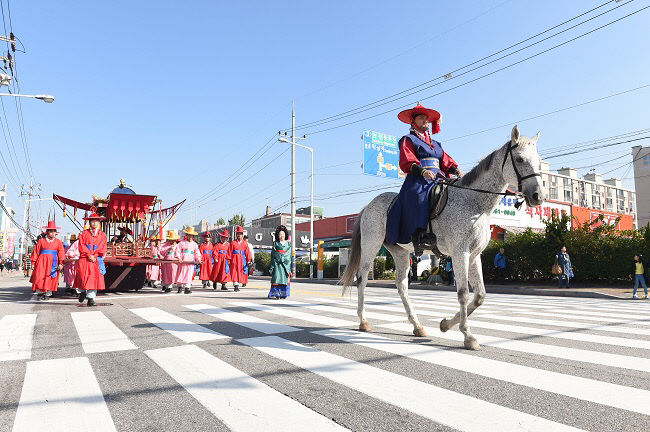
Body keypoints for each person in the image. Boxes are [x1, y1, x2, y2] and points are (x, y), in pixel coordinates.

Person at [385, 102, 461, 256]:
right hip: (418, 177)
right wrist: (422, 171)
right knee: (419, 197)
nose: (426, 121)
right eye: (421, 118)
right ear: (414, 122)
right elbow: (407, 160)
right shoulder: (408, 139)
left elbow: (444, 160)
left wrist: (455, 169)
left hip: (438, 176)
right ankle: (419, 236)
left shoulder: (436, 144)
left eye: (427, 118)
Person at [74, 212, 107, 307]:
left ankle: (91, 298)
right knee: (83, 277)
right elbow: (81, 245)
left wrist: (95, 255)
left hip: (96, 259)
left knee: (93, 278)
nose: (95, 223)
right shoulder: (84, 234)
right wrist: (88, 254)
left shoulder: (102, 235)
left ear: (99, 223)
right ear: (89, 223)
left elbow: (103, 247)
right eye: (93, 221)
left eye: (97, 221)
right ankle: (83, 292)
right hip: (85, 258)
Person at [30, 221, 65, 301]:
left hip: (53, 262)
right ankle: (40, 293)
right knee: (40, 276)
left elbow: (61, 253)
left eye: (54, 231)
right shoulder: (41, 241)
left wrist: (61, 263)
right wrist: (33, 262)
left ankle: (48, 293)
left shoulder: (58, 242)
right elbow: (36, 252)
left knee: (50, 277)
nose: (53, 233)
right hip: (41, 262)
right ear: (47, 232)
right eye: (51, 231)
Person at [268, 225, 292, 299]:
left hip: (285, 264)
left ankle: (283, 294)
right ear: (278, 235)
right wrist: (279, 258)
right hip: (277, 264)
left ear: (286, 235)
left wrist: (283, 259)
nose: (282, 236)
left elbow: (289, 254)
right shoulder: (275, 243)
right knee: (276, 279)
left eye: (283, 234)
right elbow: (273, 253)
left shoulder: (288, 244)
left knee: (284, 280)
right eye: (280, 234)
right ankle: (276, 294)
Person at [175, 227, 200, 294]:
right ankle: (180, 286)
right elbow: (177, 251)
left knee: (189, 274)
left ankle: (187, 288)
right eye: (189, 235)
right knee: (181, 273)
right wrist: (179, 258)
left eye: (192, 235)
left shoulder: (195, 244)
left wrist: (198, 259)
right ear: (187, 235)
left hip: (191, 261)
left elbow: (197, 252)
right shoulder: (181, 243)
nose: (190, 236)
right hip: (183, 260)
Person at [228, 226, 250, 292]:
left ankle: (238, 283)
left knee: (240, 272)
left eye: (240, 234)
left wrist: (248, 260)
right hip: (234, 259)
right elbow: (229, 252)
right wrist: (229, 260)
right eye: (238, 234)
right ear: (236, 235)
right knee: (234, 272)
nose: (239, 235)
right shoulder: (233, 243)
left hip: (241, 259)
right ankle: (236, 285)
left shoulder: (245, 244)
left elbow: (247, 252)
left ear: (242, 235)